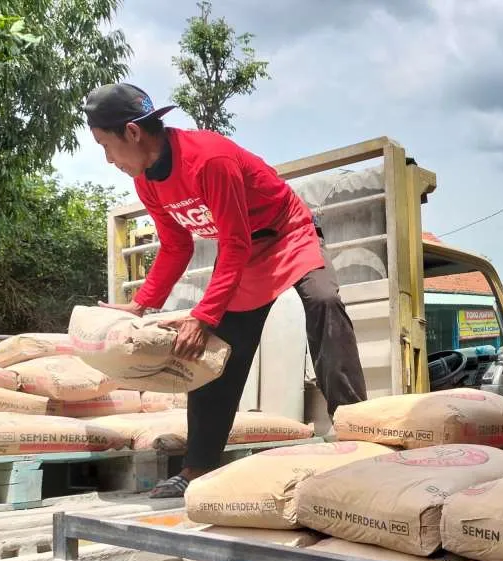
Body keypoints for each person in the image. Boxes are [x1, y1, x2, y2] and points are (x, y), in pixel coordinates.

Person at [83, 82, 367, 498]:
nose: (108, 160)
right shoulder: (148, 181)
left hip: (288, 234)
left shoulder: (208, 159)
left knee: (324, 301)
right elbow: (177, 245)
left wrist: (204, 314)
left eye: (106, 146)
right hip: (244, 253)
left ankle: (356, 430)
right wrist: (141, 304)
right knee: (213, 352)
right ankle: (197, 467)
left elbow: (234, 242)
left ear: (132, 132)